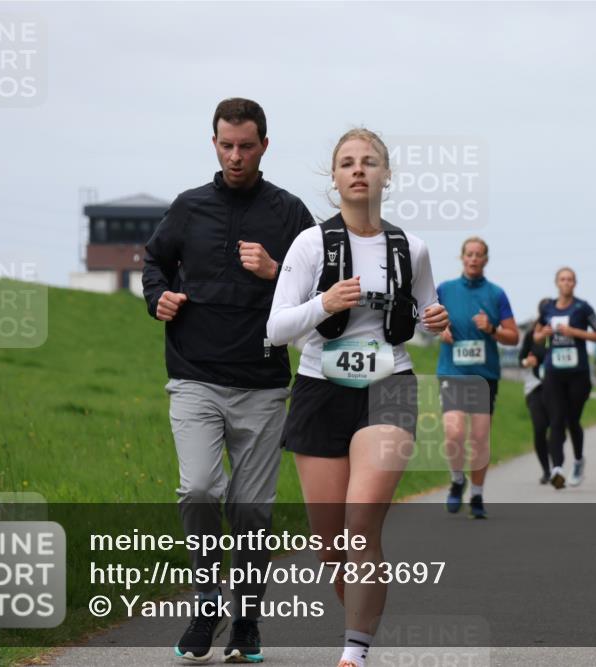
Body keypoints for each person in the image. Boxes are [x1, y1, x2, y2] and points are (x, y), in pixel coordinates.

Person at [266, 128, 448, 667]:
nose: (358, 170)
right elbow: (276, 329)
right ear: (335, 177)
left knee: (361, 518)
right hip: (321, 388)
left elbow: (427, 319)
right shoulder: (310, 244)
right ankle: (362, 625)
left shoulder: (411, 248)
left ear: (387, 174)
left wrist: (436, 321)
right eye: (347, 162)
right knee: (330, 546)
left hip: (389, 386)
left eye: (370, 162)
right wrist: (324, 302)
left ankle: (353, 653)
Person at [142, 98, 314, 663]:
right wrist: (157, 297)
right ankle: (207, 599)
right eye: (225, 145)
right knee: (197, 489)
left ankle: (246, 618)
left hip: (264, 383)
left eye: (245, 145)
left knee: (252, 509)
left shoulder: (291, 214)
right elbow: (154, 262)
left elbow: (323, 292)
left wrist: (275, 271)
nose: (235, 156)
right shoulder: (189, 207)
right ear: (214, 144)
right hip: (194, 377)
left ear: (265, 145)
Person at [436, 238, 519, 518]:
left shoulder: (496, 294)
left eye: (478, 255)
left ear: (486, 260)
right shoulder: (445, 290)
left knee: (480, 438)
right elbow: (425, 320)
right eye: (469, 254)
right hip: (452, 372)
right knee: (454, 433)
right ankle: (458, 479)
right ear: (462, 257)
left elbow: (513, 336)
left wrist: (492, 328)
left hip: (484, 376)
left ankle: (478, 496)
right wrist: (439, 330)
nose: (473, 259)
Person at [533, 268, 596, 489]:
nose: (566, 283)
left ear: (575, 283)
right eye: (562, 279)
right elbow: (536, 335)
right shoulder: (548, 308)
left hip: (578, 373)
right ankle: (557, 469)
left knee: (572, 421)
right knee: (556, 420)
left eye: (570, 280)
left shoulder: (582, 307)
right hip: (554, 372)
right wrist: (542, 334)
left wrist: (575, 332)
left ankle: (578, 461)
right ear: (556, 283)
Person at [518, 301, 551, 484]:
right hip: (535, 387)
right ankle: (547, 470)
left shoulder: (560, 332)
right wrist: (526, 362)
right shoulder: (532, 333)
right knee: (539, 429)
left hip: (557, 387)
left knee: (556, 430)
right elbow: (520, 359)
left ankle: (557, 467)